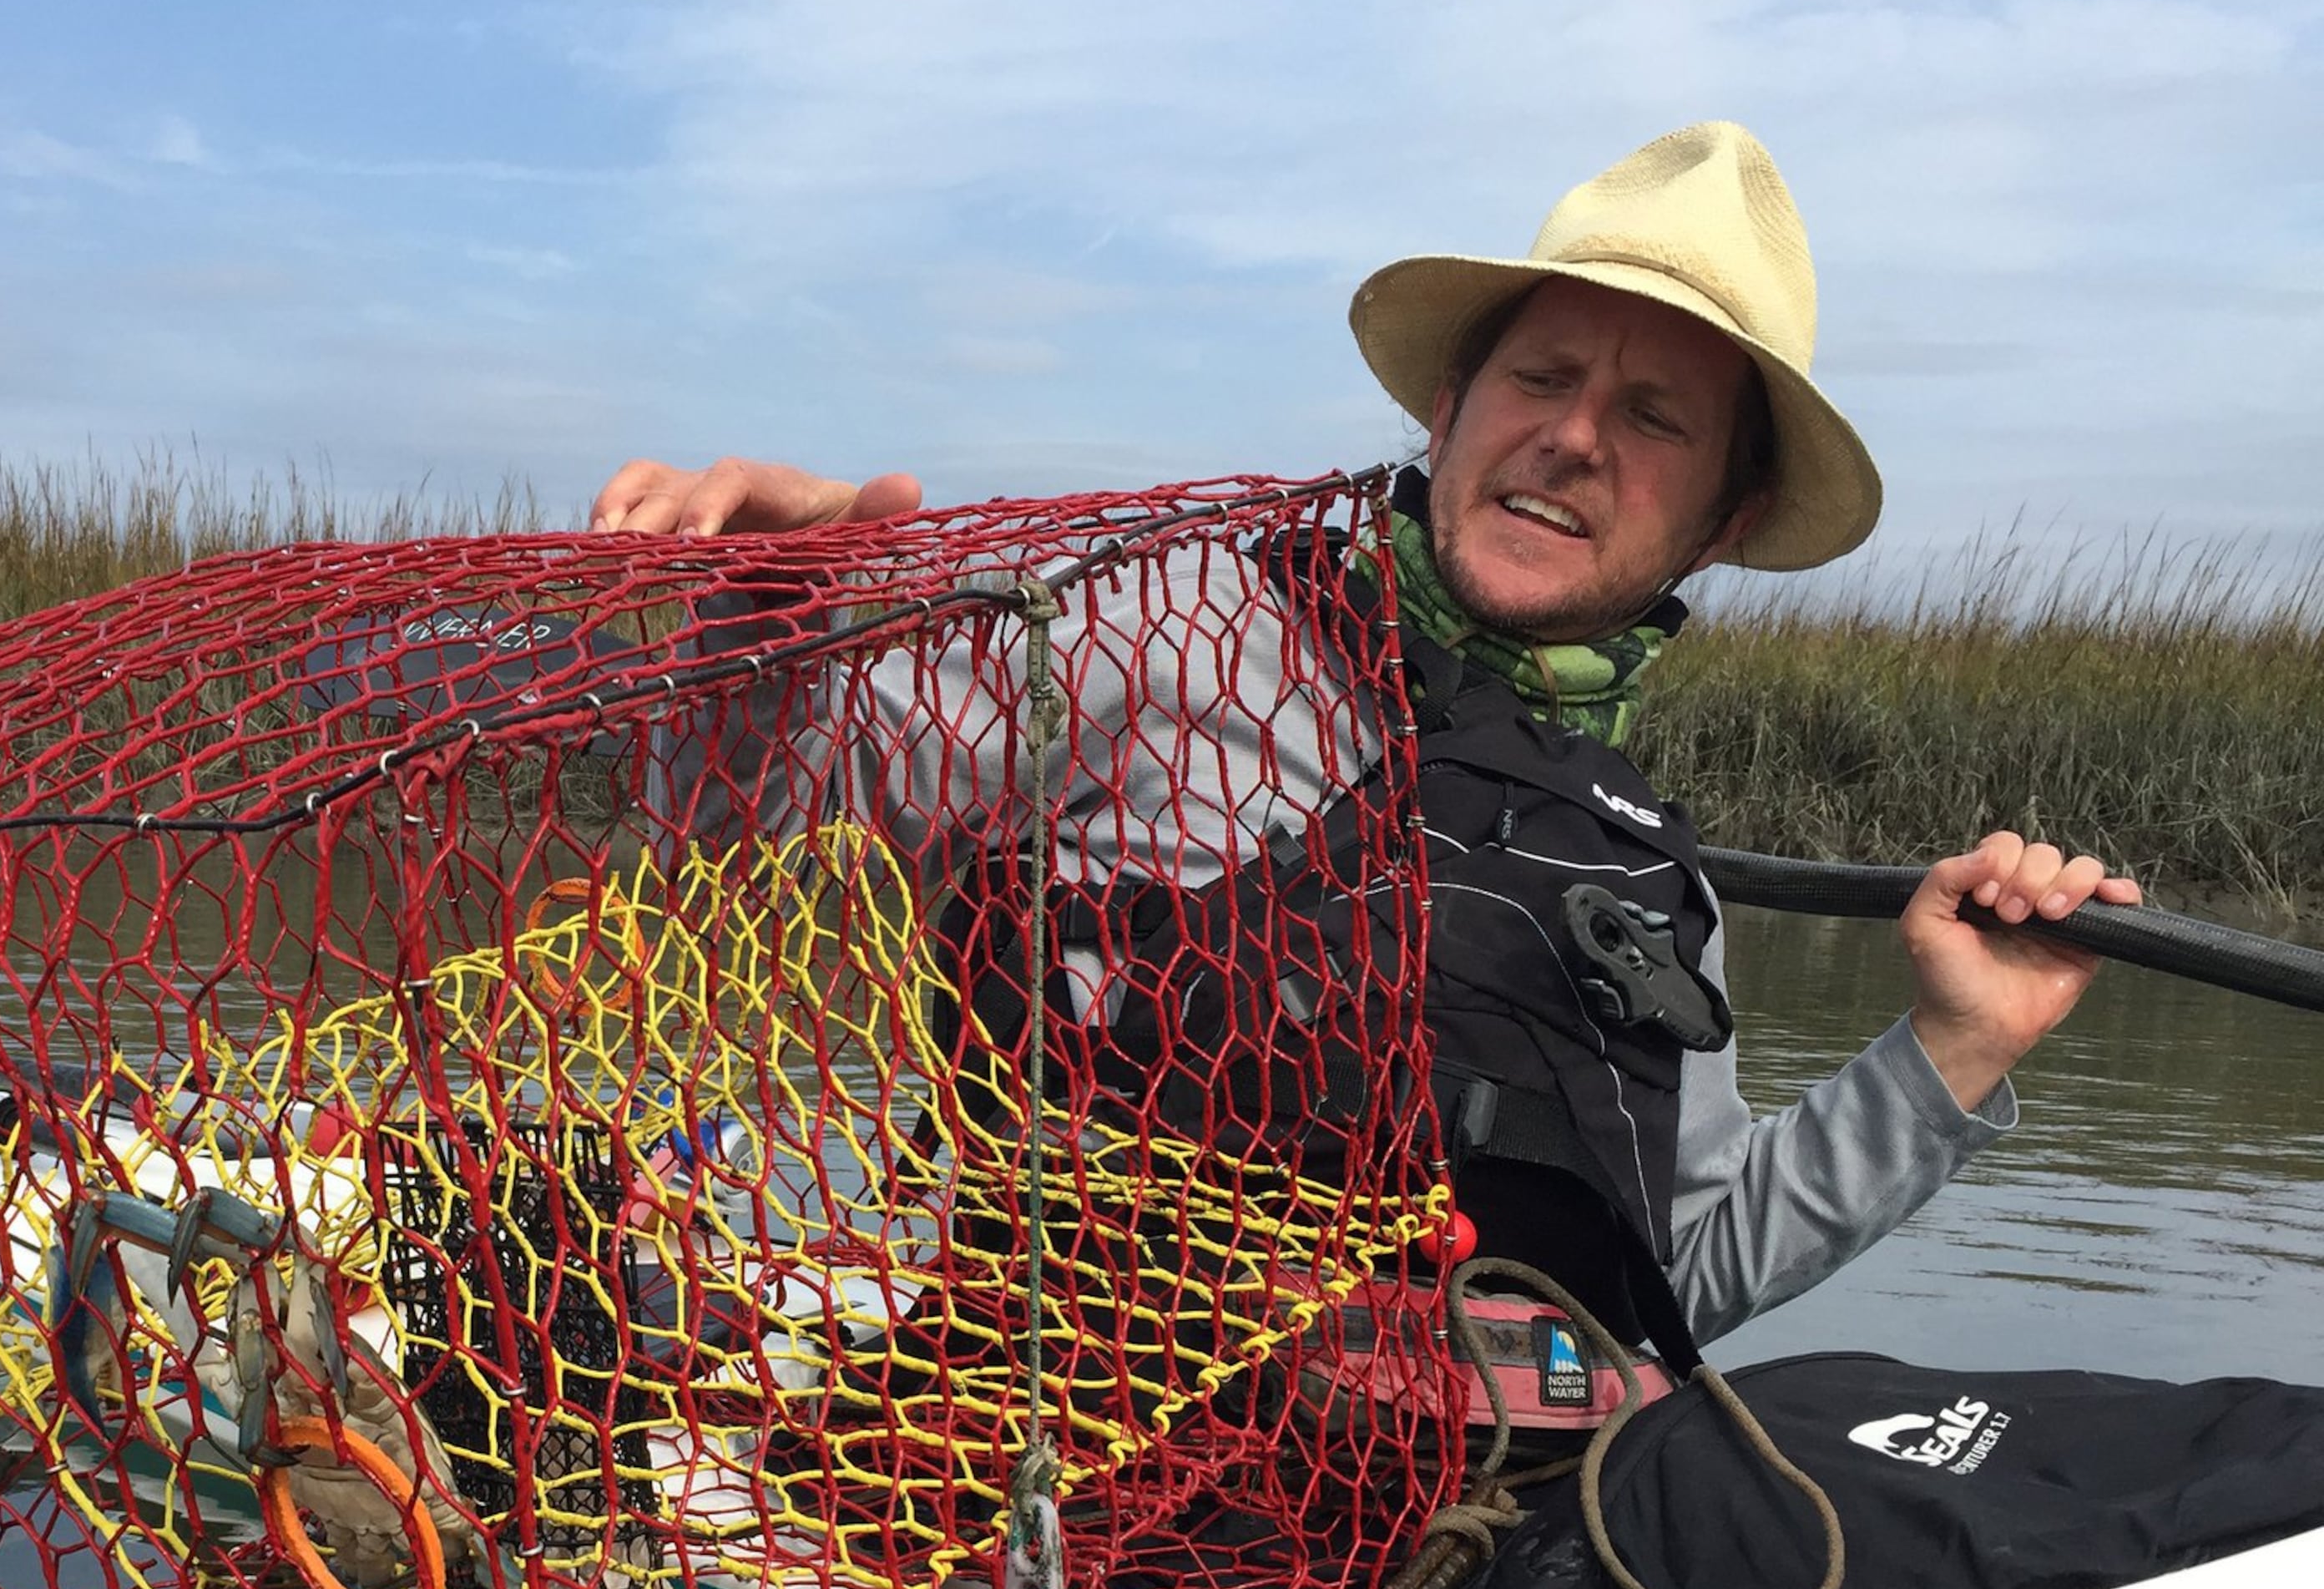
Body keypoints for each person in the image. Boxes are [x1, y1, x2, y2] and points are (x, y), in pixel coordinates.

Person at [594, 120, 2138, 1364]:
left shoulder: (1651, 882)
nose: (1577, 435)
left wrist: (1955, 1051)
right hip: (1055, 1527)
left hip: (1465, 1552)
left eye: (1656, 416)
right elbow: (741, 826)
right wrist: (758, 620)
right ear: (1453, 407)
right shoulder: (1163, 627)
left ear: (1724, 517)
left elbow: (1679, 1282)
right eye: (1542, 377)